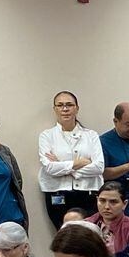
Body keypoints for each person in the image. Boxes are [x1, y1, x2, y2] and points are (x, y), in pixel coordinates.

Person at [34, 91, 103, 227]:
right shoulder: (46, 136)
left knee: (88, 235)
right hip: (57, 194)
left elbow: (99, 167)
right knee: (64, 236)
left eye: (69, 105)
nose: (65, 109)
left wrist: (63, 166)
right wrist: (77, 164)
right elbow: (49, 168)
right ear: (54, 109)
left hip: (87, 193)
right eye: (60, 105)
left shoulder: (91, 135)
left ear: (77, 108)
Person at [84, 181, 129, 257]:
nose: (106, 207)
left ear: (124, 204)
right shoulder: (85, 225)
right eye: (102, 201)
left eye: (113, 202)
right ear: (97, 200)